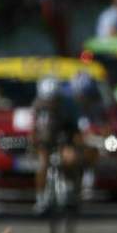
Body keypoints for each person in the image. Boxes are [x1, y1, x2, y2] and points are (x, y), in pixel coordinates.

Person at [30, 77, 82, 214]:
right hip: (45, 138)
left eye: (53, 100)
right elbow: (33, 129)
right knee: (42, 165)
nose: (50, 104)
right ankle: (41, 198)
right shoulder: (37, 105)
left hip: (64, 134)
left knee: (70, 159)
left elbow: (74, 129)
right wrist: (34, 143)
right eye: (47, 100)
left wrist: (72, 145)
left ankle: (70, 189)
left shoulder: (68, 105)